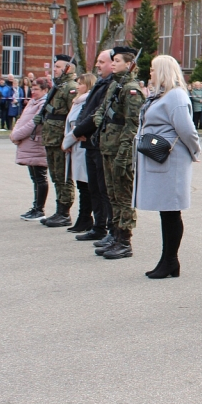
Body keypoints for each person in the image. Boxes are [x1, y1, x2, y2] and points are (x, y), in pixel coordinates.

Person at [134, 55, 202, 276]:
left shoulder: (175, 96)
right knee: (166, 211)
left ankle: (170, 260)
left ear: (163, 71)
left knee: (171, 210)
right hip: (161, 158)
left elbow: (187, 129)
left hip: (171, 160)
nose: (150, 73)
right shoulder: (161, 96)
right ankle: (168, 260)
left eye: (153, 69)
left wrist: (195, 151)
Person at [95, 47, 143, 259]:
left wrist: (124, 154)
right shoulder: (115, 85)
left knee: (123, 196)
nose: (112, 64)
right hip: (108, 146)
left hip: (120, 149)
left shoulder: (131, 90)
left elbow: (132, 126)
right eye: (112, 60)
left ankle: (124, 241)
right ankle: (115, 235)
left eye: (117, 61)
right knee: (112, 194)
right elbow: (101, 111)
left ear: (129, 64)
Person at [71, 50, 115, 244]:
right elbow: (86, 110)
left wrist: (78, 131)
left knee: (104, 189)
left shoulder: (112, 85)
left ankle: (108, 228)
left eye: (101, 61)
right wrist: (79, 129)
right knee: (94, 187)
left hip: (100, 142)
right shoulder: (100, 82)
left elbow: (98, 113)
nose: (97, 65)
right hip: (89, 141)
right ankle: (98, 226)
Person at [36, 55, 77, 227]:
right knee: (55, 176)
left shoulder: (70, 88)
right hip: (51, 138)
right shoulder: (59, 87)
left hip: (60, 138)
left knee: (63, 176)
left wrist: (69, 140)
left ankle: (65, 212)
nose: (55, 69)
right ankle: (59, 210)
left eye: (58, 66)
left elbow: (73, 116)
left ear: (69, 68)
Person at [10, 78, 50, 220]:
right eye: (32, 89)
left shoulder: (44, 103)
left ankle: (39, 209)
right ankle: (35, 207)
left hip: (36, 143)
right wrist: (15, 132)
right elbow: (22, 120)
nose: (33, 92)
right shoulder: (33, 102)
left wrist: (17, 135)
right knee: (35, 178)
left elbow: (34, 124)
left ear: (45, 90)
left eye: (37, 89)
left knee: (40, 177)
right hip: (28, 143)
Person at [63, 72, 95, 234]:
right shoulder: (78, 101)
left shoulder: (86, 101)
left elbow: (79, 126)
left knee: (85, 186)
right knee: (82, 185)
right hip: (75, 146)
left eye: (80, 84)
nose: (77, 86)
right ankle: (83, 218)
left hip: (81, 146)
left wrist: (67, 141)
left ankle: (86, 218)